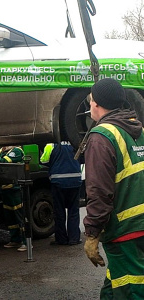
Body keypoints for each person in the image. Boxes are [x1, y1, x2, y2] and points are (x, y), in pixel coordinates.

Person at [83, 78, 144, 299]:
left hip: (125, 230)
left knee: (131, 290)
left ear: (97, 103)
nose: (90, 104)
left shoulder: (102, 137)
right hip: (140, 226)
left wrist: (92, 234)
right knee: (113, 287)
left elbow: (99, 191)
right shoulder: (139, 131)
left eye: (91, 99)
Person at [40, 141, 82, 245]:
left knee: (59, 212)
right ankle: (74, 239)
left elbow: (43, 161)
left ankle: (61, 239)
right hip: (75, 180)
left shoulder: (51, 145)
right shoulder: (75, 142)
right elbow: (83, 158)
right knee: (73, 211)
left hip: (58, 182)